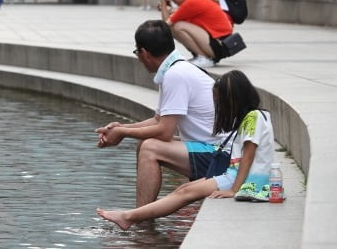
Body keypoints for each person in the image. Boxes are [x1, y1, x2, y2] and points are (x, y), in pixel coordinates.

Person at [97, 70, 275, 229]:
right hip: (233, 174)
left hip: (241, 179)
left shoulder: (253, 118)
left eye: (222, 103)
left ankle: (128, 217)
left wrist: (233, 190)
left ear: (234, 99)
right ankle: (133, 217)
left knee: (185, 192)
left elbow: (248, 157)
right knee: (184, 188)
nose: (221, 109)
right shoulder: (255, 116)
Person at [96, 20, 223, 208]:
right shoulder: (176, 69)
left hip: (221, 155)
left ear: (144, 53)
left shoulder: (176, 75)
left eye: (137, 52)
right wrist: (120, 128)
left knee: (150, 148)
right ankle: (142, 214)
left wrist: (123, 134)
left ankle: (141, 222)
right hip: (211, 147)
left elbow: (164, 132)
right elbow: (158, 120)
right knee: (145, 144)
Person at [161, 0, 233, 68]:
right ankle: (201, 56)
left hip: (220, 44)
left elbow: (166, 25)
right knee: (174, 27)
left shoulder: (191, 2)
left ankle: (203, 58)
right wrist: (164, 2)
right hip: (216, 44)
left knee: (178, 26)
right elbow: (168, 24)